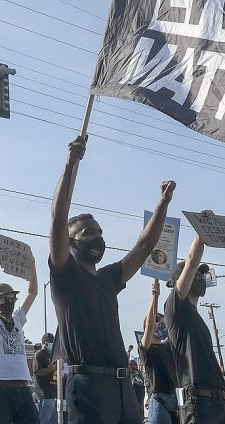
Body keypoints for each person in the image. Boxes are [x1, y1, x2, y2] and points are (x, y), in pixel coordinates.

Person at [48, 134, 177, 424]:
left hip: (122, 387)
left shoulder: (108, 279)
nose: (97, 237)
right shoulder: (65, 276)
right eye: (87, 233)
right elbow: (58, 217)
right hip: (88, 387)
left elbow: (144, 247)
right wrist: (70, 165)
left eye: (99, 232)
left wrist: (163, 204)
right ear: (69, 243)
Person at [165, 233, 225, 424]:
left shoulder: (197, 317)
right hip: (198, 403)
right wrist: (202, 231)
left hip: (216, 402)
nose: (200, 277)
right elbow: (192, 261)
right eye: (195, 274)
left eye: (202, 274)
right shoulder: (176, 309)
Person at [0, 249, 40, 424]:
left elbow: (33, 291)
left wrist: (32, 267)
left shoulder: (18, 319)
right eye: (6, 298)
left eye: (13, 297)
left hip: (23, 387)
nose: (11, 301)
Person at [140, 279, 179, 424]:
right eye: (157, 322)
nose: (159, 325)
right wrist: (155, 297)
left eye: (162, 323)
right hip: (158, 399)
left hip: (174, 398)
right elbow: (150, 325)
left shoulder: (168, 347)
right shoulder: (146, 349)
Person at [35, 333, 59, 424]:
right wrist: (53, 367)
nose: (52, 344)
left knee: (54, 421)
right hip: (44, 393)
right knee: (45, 420)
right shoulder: (39, 354)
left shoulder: (51, 355)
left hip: (52, 393)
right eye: (50, 341)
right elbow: (38, 372)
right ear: (45, 342)